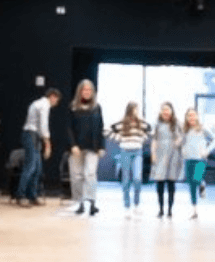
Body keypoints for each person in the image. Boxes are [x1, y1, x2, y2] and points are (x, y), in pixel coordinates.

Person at [15, 87, 61, 207]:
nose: (56, 103)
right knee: (30, 167)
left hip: (34, 136)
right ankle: (21, 195)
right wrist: (48, 144)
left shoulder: (38, 103)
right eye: (56, 100)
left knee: (37, 169)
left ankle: (32, 195)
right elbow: (43, 125)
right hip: (31, 134)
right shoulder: (44, 105)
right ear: (52, 97)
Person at [66, 79, 104, 216]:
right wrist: (73, 145)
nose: (87, 92)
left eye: (89, 90)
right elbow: (68, 128)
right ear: (80, 91)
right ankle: (79, 203)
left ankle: (92, 202)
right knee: (77, 176)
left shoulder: (97, 107)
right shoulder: (73, 107)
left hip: (93, 147)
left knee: (90, 174)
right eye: (84, 90)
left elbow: (100, 127)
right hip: (76, 147)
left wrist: (102, 146)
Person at [108, 101, 151, 216]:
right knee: (126, 179)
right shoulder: (122, 122)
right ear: (129, 110)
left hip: (137, 152)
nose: (136, 111)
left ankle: (136, 204)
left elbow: (150, 130)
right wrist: (119, 138)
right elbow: (107, 130)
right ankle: (127, 206)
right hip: (125, 151)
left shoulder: (141, 122)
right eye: (134, 109)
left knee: (137, 178)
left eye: (137, 109)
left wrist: (142, 139)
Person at [179, 108, 215, 219]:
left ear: (197, 116)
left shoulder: (203, 128)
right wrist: (182, 150)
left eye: (193, 115)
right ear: (186, 118)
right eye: (189, 115)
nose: (191, 117)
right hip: (188, 159)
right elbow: (181, 142)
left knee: (196, 180)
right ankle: (194, 210)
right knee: (191, 185)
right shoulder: (184, 130)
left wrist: (207, 150)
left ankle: (202, 184)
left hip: (200, 159)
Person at [149, 102, 183, 218]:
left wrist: (177, 142)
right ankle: (160, 209)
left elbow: (182, 137)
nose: (165, 111)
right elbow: (154, 139)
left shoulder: (177, 123)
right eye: (163, 109)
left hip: (173, 154)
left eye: (167, 109)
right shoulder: (157, 124)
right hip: (160, 154)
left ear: (172, 111)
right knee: (160, 182)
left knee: (171, 182)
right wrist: (153, 153)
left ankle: (170, 209)